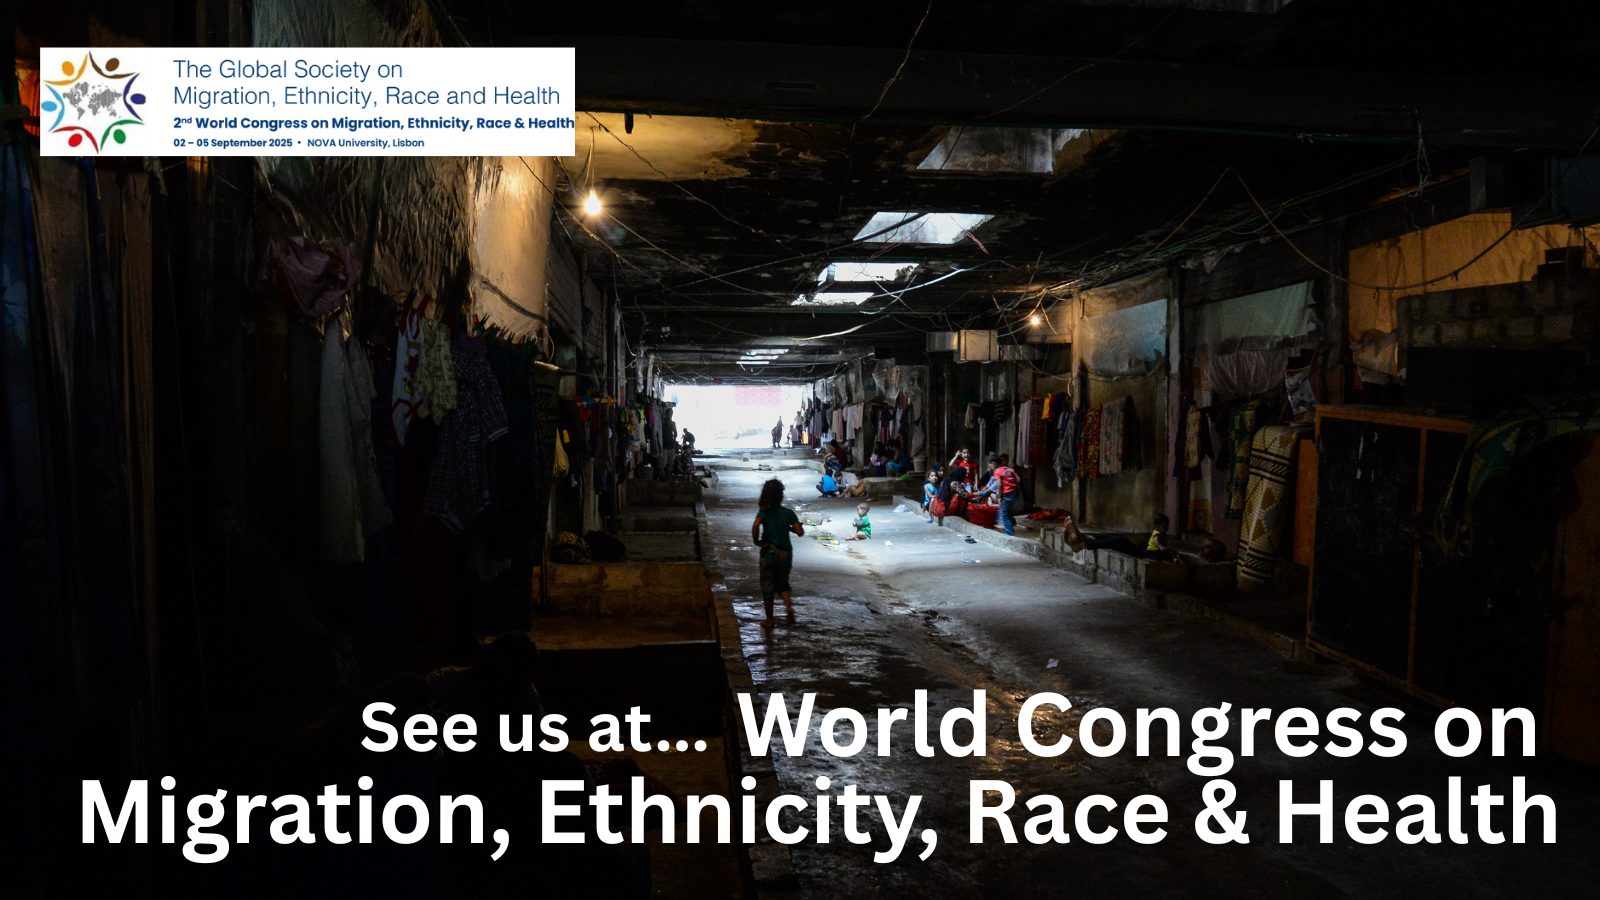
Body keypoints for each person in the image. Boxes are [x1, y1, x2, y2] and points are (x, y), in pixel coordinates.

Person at [752, 478, 804, 629]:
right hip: (786, 554)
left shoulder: (764, 513)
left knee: (768, 585)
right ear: (781, 495)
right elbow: (800, 532)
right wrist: (795, 528)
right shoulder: (788, 513)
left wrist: (757, 541)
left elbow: (755, 525)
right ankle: (789, 608)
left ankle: (769, 619)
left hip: (769, 553)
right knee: (782, 583)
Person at [1062, 512, 1180, 561]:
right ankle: (1083, 538)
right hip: (1141, 552)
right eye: (1164, 526)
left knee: (1118, 540)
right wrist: (1169, 552)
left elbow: (1162, 549)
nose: (1166, 529)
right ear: (1157, 526)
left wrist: (1171, 553)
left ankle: (1082, 542)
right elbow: (1158, 544)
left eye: (1166, 526)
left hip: (1141, 554)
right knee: (1115, 537)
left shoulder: (1160, 536)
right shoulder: (1157, 535)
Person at [974, 453, 1021, 536]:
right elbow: (1018, 479)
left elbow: (999, 484)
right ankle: (1010, 529)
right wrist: (1013, 488)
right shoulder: (1009, 469)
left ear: (993, 463)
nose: (990, 467)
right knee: (1008, 512)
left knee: (1005, 515)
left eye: (990, 465)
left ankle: (1010, 534)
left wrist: (1000, 493)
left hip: (1006, 494)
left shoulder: (997, 471)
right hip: (1013, 494)